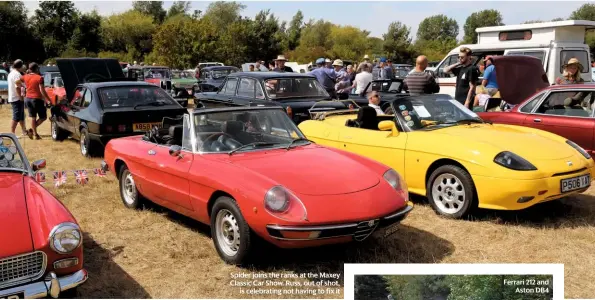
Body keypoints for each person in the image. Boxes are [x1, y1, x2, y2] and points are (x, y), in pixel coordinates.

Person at [22, 62, 50, 139]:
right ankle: (32, 131)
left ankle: (34, 133)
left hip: (28, 99)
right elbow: (42, 90)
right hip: (37, 99)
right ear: (36, 69)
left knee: (33, 117)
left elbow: (17, 82)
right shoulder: (39, 78)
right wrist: (48, 99)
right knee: (43, 117)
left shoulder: (25, 76)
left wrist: (24, 89)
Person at [7, 60, 32, 138]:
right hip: (16, 98)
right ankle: (12, 134)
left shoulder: (11, 73)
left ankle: (24, 131)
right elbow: (18, 87)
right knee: (16, 116)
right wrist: (21, 98)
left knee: (21, 116)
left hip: (13, 97)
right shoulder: (17, 74)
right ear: (20, 66)